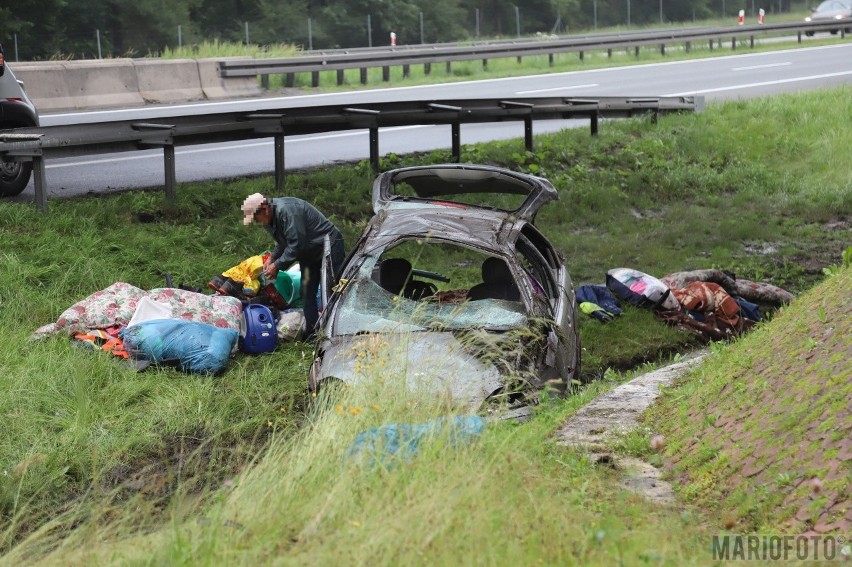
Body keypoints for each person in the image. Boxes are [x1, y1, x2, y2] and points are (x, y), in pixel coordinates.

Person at [241, 193, 345, 338]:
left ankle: (339, 330)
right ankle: (313, 332)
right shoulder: (270, 219)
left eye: (256, 218)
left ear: (264, 208)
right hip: (309, 253)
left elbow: (296, 245)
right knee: (306, 291)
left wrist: (277, 265)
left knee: (333, 288)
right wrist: (272, 257)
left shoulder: (288, 212)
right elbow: (283, 243)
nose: (258, 222)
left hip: (329, 246)